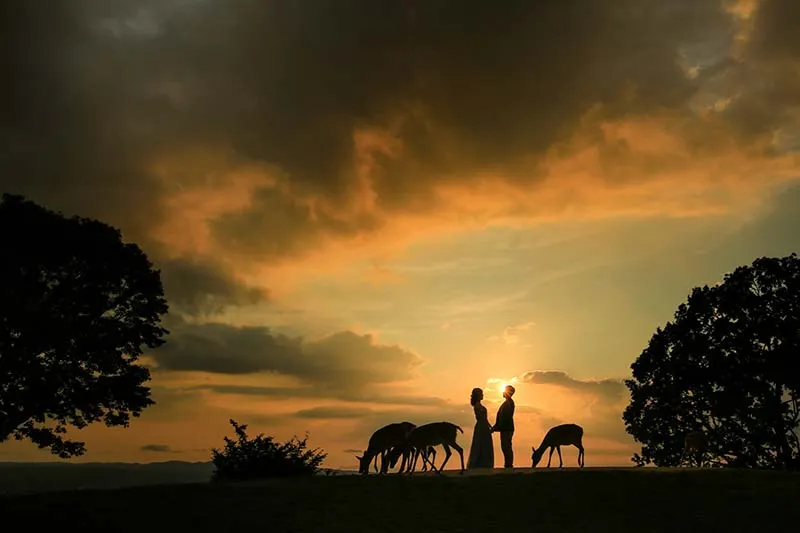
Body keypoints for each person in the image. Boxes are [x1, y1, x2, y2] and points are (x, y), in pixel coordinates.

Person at [467, 387, 494, 469]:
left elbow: (485, 418)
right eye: (481, 394)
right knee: (481, 444)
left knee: (484, 444)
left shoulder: (479, 405)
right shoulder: (477, 406)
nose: (483, 395)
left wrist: (490, 426)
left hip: (483, 426)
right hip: (481, 427)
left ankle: (484, 462)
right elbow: (482, 418)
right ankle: (481, 463)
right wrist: (489, 426)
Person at [492, 385, 516, 468]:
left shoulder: (509, 403)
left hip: (507, 428)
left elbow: (505, 417)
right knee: (505, 446)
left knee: (506, 446)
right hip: (505, 428)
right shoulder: (507, 403)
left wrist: (496, 427)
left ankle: (509, 464)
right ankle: (508, 464)